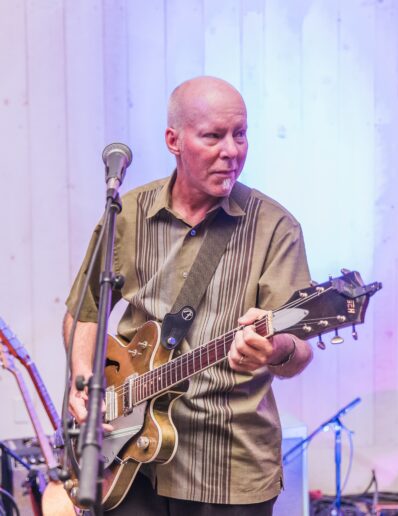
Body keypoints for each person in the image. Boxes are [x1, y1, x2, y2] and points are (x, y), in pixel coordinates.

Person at [64, 76, 313, 515]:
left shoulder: (276, 228)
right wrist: (85, 383)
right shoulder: (127, 216)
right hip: (127, 461)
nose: (231, 150)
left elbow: (299, 351)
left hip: (228, 469)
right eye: (213, 136)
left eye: (240, 134)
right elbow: (85, 313)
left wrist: (273, 349)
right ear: (173, 140)